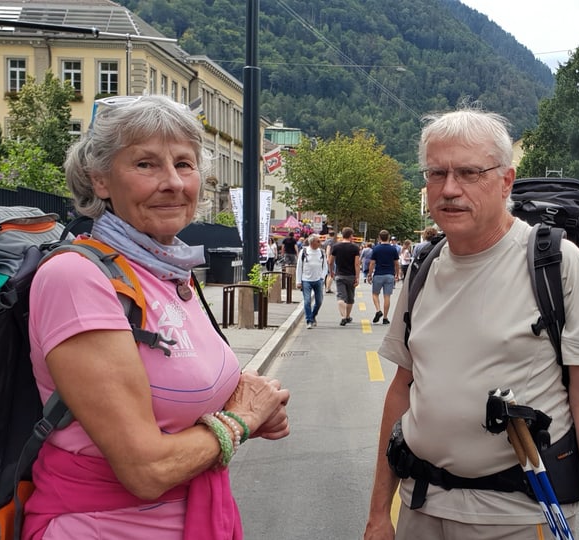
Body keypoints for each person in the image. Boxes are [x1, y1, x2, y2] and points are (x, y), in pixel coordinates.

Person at [22, 95, 291, 539]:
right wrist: (241, 420)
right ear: (100, 180)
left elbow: (179, 397)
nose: (172, 182)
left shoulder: (167, 272)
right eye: (146, 164)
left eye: (184, 165)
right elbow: (146, 470)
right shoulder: (77, 277)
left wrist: (251, 409)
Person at [364, 108, 579, 539]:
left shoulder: (554, 263)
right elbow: (402, 390)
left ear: (506, 181)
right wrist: (377, 515)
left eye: (468, 172)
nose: (449, 189)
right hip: (420, 506)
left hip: (517, 517)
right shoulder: (423, 265)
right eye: (436, 173)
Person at [328, 227, 360, 326]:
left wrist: (331, 272)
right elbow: (357, 264)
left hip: (339, 275)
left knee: (341, 297)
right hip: (350, 275)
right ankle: (347, 316)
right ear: (351, 236)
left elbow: (330, 261)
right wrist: (357, 277)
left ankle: (343, 316)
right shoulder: (355, 248)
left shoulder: (336, 247)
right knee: (350, 298)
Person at [367, 230, 400, 325]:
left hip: (378, 274)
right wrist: (397, 274)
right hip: (389, 275)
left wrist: (369, 274)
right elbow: (396, 263)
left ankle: (378, 310)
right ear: (388, 237)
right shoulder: (393, 249)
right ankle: (385, 318)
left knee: (375, 294)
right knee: (387, 296)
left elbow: (372, 263)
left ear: (379, 238)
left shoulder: (376, 249)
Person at [295, 234, 327, 329]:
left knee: (319, 301)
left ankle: (313, 316)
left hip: (318, 280)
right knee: (307, 300)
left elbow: (325, 266)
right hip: (306, 280)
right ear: (312, 242)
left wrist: (322, 277)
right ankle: (309, 320)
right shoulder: (304, 252)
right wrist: (298, 281)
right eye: (318, 241)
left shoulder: (322, 252)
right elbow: (299, 267)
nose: (320, 243)